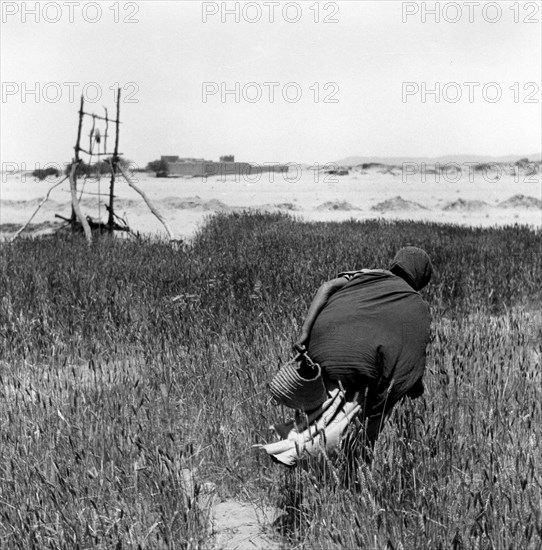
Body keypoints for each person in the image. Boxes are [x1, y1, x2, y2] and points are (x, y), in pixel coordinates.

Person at [257, 247, 432, 473]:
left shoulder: (366, 275)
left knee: (321, 410)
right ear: (421, 276)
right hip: (364, 367)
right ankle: (345, 470)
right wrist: (413, 385)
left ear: (396, 263)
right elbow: (409, 357)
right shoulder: (416, 305)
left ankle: (298, 451)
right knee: (363, 421)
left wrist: (305, 332)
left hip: (322, 350)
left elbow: (327, 287)